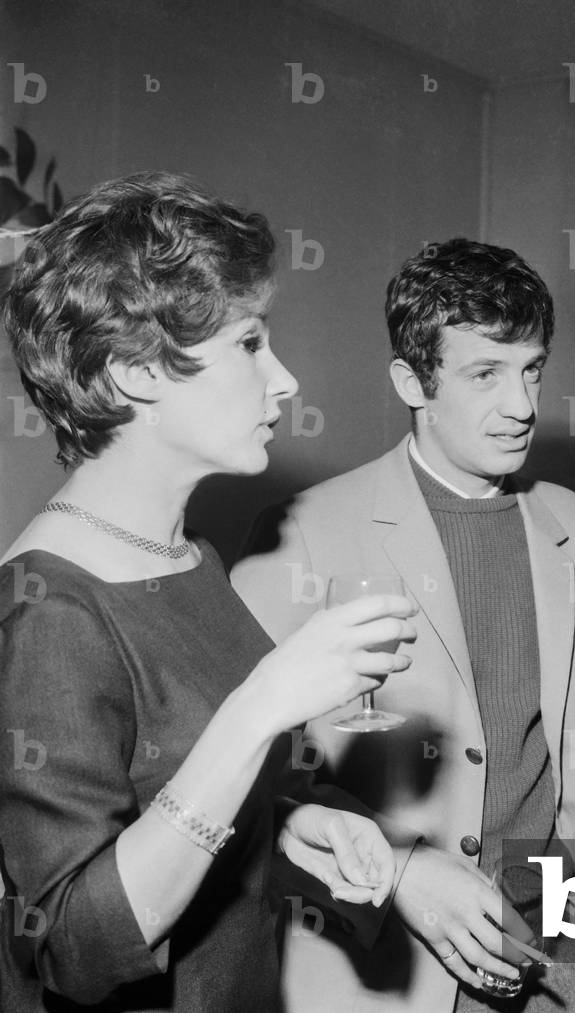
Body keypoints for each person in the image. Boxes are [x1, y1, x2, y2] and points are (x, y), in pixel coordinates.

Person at [0, 172, 419, 1012]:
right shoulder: (48, 611)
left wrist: (294, 825)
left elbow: (178, 796)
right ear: (135, 372)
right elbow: (75, 948)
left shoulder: (191, 557)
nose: (286, 378)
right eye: (250, 344)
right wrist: (261, 704)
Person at [232, 238, 575, 1012]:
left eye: (532, 370)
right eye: (485, 374)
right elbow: (238, 781)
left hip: (558, 973)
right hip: (381, 973)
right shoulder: (301, 531)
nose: (522, 404)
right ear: (410, 381)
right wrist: (398, 872)